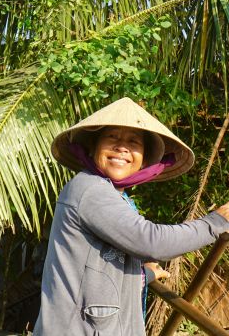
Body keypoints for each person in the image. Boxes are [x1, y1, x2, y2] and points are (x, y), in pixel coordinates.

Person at [33, 97, 229, 336]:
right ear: (94, 148)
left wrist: (145, 274)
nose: (122, 148)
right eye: (112, 138)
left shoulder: (111, 193)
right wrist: (215, 223)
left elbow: (94, 270)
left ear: (144, 159)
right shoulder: (91, 190)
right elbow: (151, 242)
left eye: (133, 142)